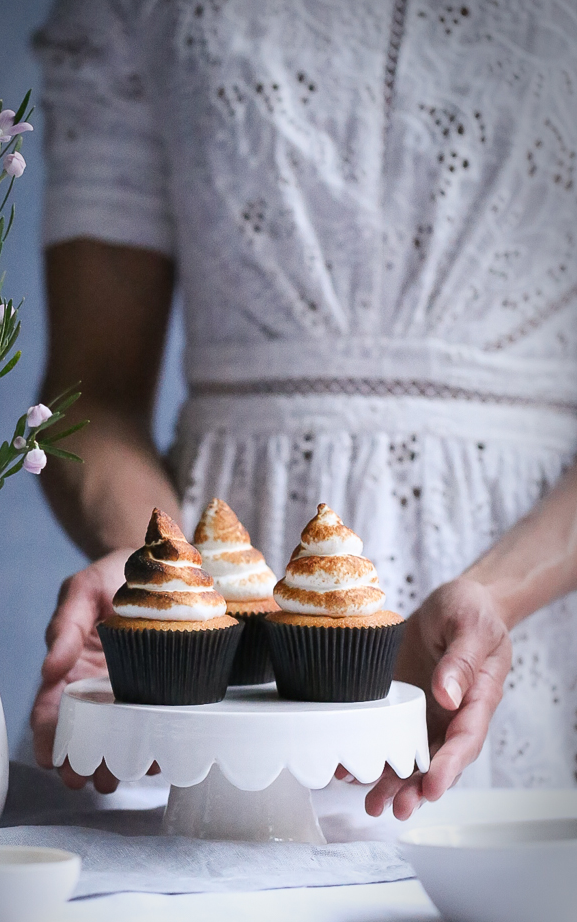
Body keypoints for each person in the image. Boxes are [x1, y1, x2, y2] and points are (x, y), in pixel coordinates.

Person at [30, 0, 577, 818]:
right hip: (217, 636)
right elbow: (91, 393)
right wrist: (160, 578)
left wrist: (496, 598)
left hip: (534, 605)